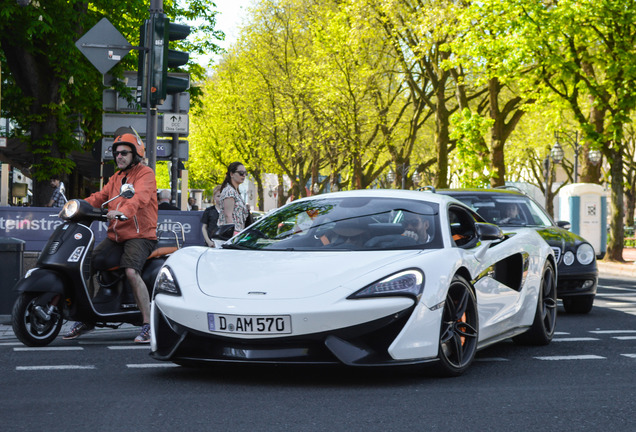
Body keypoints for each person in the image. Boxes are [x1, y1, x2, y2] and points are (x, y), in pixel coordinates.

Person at [63, 128, 158, 343]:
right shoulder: (116, 178)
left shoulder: (146, 174)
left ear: (135, 155)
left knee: (131, 271)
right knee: (83, 265)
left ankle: (148, 324)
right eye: (117, 153)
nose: (120, 156)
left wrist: (124, 211)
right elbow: (100, 197)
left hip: (140, 235)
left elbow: (139, 197)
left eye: (124, 152)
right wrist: (76, 206)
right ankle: (85, 317)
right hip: (116, 237)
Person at [218, 162, 250, 234]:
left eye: (245, 173)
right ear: (231, 174)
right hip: (230, 235)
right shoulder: (229, 191)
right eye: (241, 173)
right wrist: (233, 236)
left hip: (238, 233)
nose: (244, 175)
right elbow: (228, 215)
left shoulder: (236, 192)